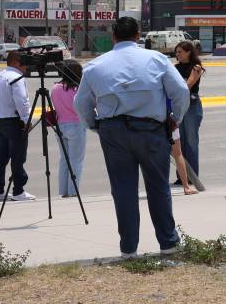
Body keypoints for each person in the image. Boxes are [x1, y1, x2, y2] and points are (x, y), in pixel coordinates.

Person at [73, 17, 189, 256]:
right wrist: (175, 118)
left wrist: (95, 125)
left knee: (123, 189)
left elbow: (81, 103)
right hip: (151, 130)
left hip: (113, 131)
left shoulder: (95, 65)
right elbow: (180, 91)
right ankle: (168, 244)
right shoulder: (156, 59)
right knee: (158, 186)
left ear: (113, 37)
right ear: (138, 35)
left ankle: (128, 249)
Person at [0, 50, 34, 201]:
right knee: (18, 157)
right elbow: (22, 101)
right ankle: (18, 191)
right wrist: (26, 120)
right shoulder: (16, 77)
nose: (26, 67)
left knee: (1, 157)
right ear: (16, 62)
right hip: (14, 122)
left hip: (0, 120)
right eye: (25, 63)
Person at [50, 61, 85, 198]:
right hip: (76, 125)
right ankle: (73, 191)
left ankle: (64, 190)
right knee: (76, 160)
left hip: (60, 125)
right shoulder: (77, 89)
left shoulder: (55, 88)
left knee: (64, 159)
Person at [173, 41, 205, 180]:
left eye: (180, 52)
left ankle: (192, 178)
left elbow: (187, 85)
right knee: (179, 142)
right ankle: (182, 177)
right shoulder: (175, 68)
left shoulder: (196, 67)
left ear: (188, 52)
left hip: (191, 106)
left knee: (191, 142)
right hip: (179, 106)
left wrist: (175, 89)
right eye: (176, 52)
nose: (177, 54)